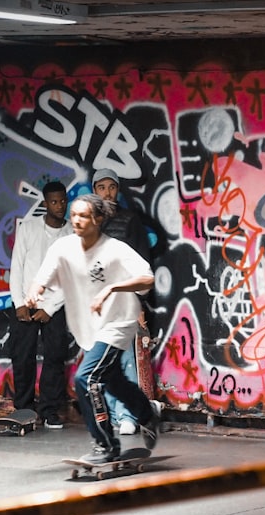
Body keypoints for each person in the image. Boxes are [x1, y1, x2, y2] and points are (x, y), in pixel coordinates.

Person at [27, 193, 161, 463]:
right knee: (114, 381)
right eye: (74, 214)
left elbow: (147, 276)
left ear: (98, 219)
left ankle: (105, 445)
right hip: (88, 327)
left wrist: (112, 287)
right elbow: (44, 276)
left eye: (84, 215)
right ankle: (147, 413)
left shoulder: (114, 249)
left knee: (86, 380)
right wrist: (35, 291)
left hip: (118, 322)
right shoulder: (63, 248)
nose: (76, 220)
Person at [91, 167, 161, 435]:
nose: (107, 192)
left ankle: (128, 415)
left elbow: (142, 267)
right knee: (102, 362)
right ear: (94, 190)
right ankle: (110, 415)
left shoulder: (130, 221)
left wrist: (139, 305)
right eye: (102, 187)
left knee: (127, 359)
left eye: (112, 187)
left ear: (118, 190)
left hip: (123, 301)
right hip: (97, 304)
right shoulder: (89, 222)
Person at [7, 180, 73, 428]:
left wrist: (50, 308)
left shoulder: (72, 235)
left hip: (54, 306)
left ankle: (49, 411)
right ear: (45, 204)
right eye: (54, 202)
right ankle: (23, 410)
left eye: (63, 200)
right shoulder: (28, 228)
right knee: (22, 357)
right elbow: (17, 267)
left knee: (55, 357)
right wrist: (19, 304)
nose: (60, 206)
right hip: (26, 303)